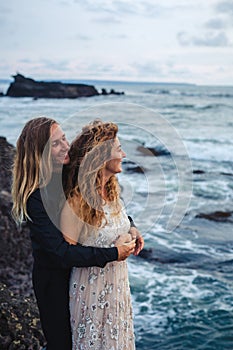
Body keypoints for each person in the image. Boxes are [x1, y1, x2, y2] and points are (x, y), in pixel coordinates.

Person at [11, 117, 138, 350]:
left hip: (88, 276)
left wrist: (130, 225)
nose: (66, 146)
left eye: (64, 139)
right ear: (41, 153)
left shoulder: (69, 172)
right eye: (56, 144)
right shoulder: (36, 197)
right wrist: (113, 253)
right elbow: (61, 253)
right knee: (64, 344)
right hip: (55, 283)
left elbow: (104, 209)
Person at [61, 119, 142, 349]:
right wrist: (113, 251)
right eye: (118, 149)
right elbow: (67, 254)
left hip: (118, 290)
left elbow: (118, 224)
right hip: (91, 295)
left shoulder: (113, 192)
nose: (124, 154)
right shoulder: (77, 200)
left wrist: (132, 230)